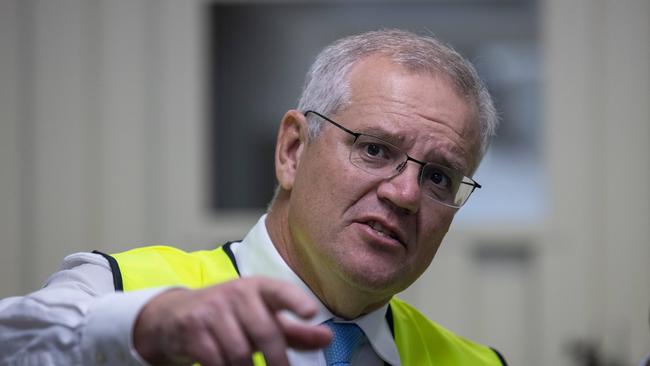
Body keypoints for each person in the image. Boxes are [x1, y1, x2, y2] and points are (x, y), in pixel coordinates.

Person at [0, 29, 505, 366]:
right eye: (374, 149)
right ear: (291, 150)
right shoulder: (125, 290)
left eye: (438, 177)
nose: (405, 194)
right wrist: (141, 325)